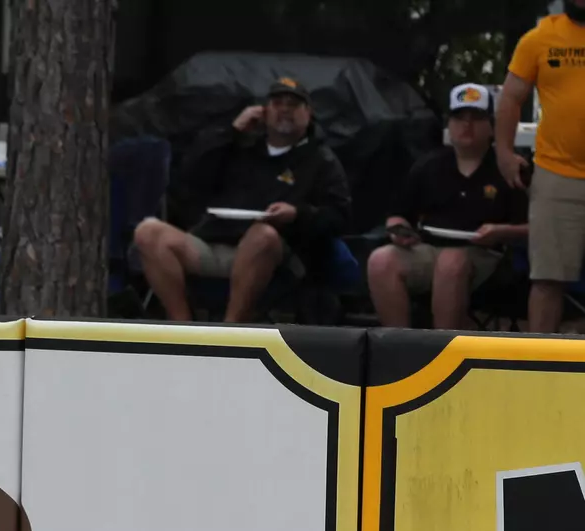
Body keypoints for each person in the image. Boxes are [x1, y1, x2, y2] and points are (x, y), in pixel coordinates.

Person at [133, 77, 352, 323]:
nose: (285, 110)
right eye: (277, 103)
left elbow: (338, 216)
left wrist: (297, 214)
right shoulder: (240, 146)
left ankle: (231, 330)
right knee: (148, 232)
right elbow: (190, 179)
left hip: (278, 254)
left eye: (293, 104)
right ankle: (183, 326)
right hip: (216, 241)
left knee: (263, 235)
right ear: (263, 111)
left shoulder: (321, 160)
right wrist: (232, 132)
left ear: (309, 114)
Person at [367, 83, 528, 330]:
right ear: (448, 124)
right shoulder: (428, 166)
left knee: (451, 262)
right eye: (459, 118)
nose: (467, 125)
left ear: (491, 126)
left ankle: (442, 351)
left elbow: (536, 227)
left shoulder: (508, 168)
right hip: (428, 247)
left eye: (476, 118)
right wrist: (399, 230)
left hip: (487, 256)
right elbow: (397, 215)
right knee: (381, 260)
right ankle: (397, 345)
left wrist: (501, 232)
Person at [498, 1, 585, 333]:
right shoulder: (539, 38)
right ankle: (540, 367)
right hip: (556, 176)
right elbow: (510, 97)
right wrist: (504, 152)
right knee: (548, 279)